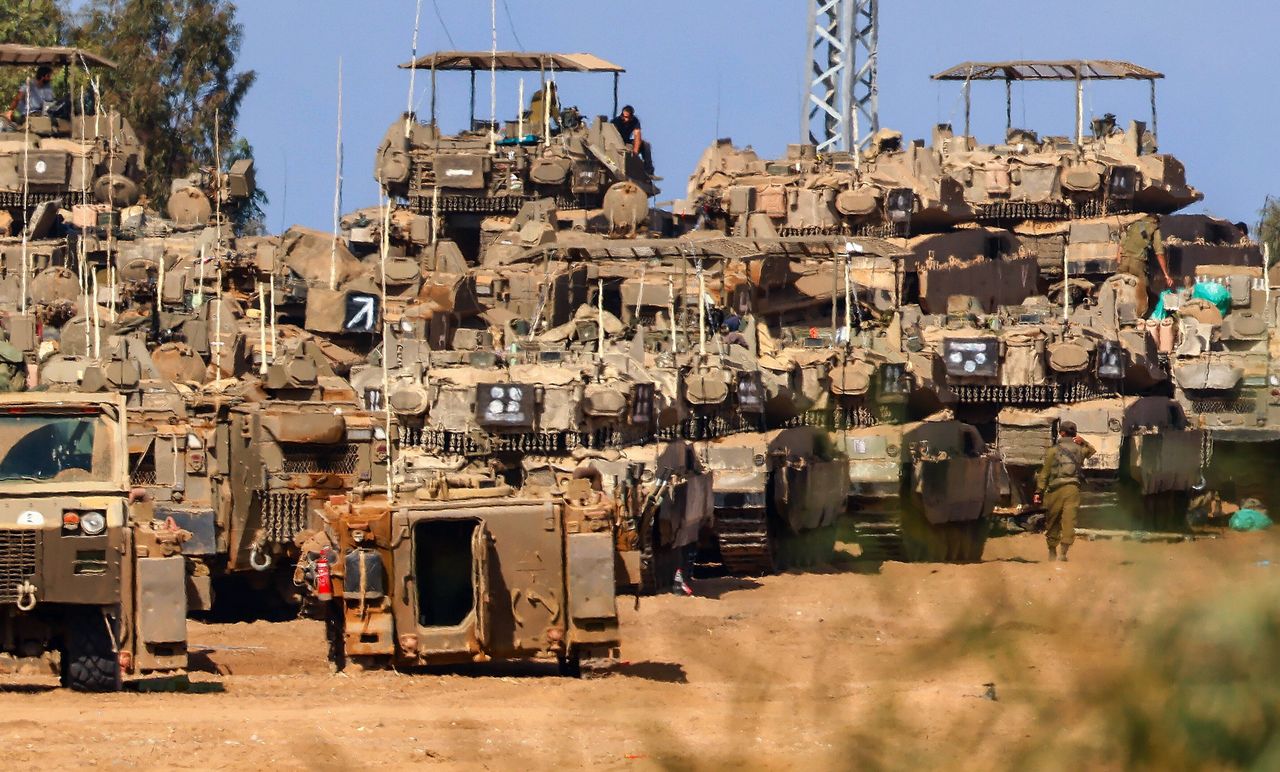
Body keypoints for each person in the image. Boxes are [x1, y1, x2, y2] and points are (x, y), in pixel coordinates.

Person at [1032, 420, 1095, 562]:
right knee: (1069, 520)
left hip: (1055, 489)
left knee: (1053, 520)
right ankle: (1063, 553)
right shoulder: (1080, 449)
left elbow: (1044, 473)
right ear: (1074, 433)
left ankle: (1052, 550)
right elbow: (1092, 451)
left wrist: (1038, 492)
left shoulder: (1053, 451)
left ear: (1061, 433)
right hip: (1073, 489)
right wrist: (1083, 441)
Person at [1118, 214, 1173, 315]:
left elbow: (1121, 244)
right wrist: (1166, 274)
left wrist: (1119, 261)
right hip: (1138, 263)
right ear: (1156, 221)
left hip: (1124, 261)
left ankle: (1118, 314)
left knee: (1120, 288)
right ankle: (1139, 319)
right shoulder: (1154, 228)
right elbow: (1159, 252)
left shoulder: (1133, 224)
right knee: (1142, 291)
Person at [611, 105, 654, 176]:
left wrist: (636, 151)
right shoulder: (616, 121)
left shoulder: (635, 121)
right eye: (624, 117)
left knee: (646, 145)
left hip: (627, 141)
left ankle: (649, 171)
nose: (625, 119)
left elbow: (637, 135)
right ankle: (628, 171)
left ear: (631, 116)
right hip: (618, 143)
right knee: (628, 150)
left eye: (627, 117)